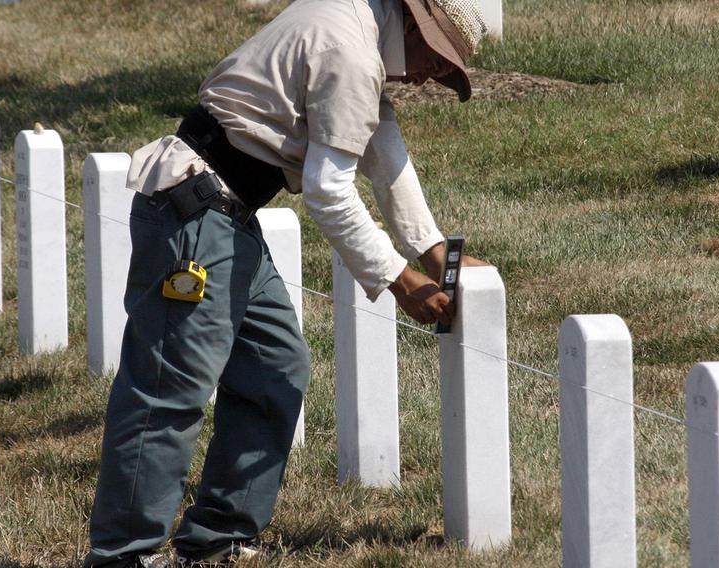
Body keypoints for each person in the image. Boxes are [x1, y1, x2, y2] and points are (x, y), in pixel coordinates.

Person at [83, 0, 490, 566]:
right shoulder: (350, 50)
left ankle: (217, 541)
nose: (434, 75)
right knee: (168, 391)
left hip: (223, 216)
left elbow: (381, 138)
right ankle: (123, 555)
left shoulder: (352, 24)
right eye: (440, 60)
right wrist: (399, 279)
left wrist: (433, 248)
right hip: (196, 217)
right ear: (417, 25)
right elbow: (329, 191)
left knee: (275, 365)